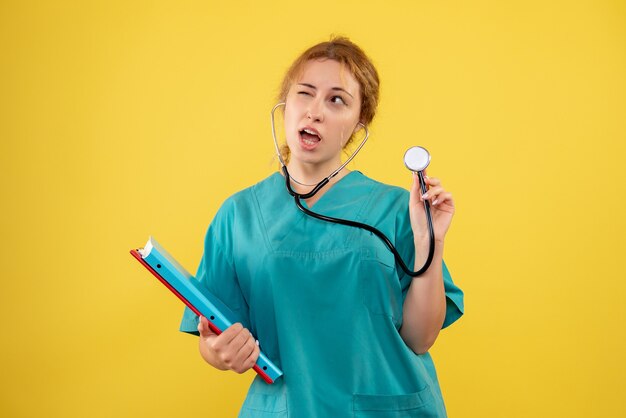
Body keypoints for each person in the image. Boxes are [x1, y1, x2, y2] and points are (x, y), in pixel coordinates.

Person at [180, 36, 464, 417]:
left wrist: (432, 241)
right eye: (305, 94)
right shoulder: (238, 215)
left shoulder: (399, 208)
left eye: (336, 100)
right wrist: (218, 352)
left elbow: (420, 337)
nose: (314, 112)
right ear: (284, 106)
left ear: (358, 124)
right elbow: (212, 335)